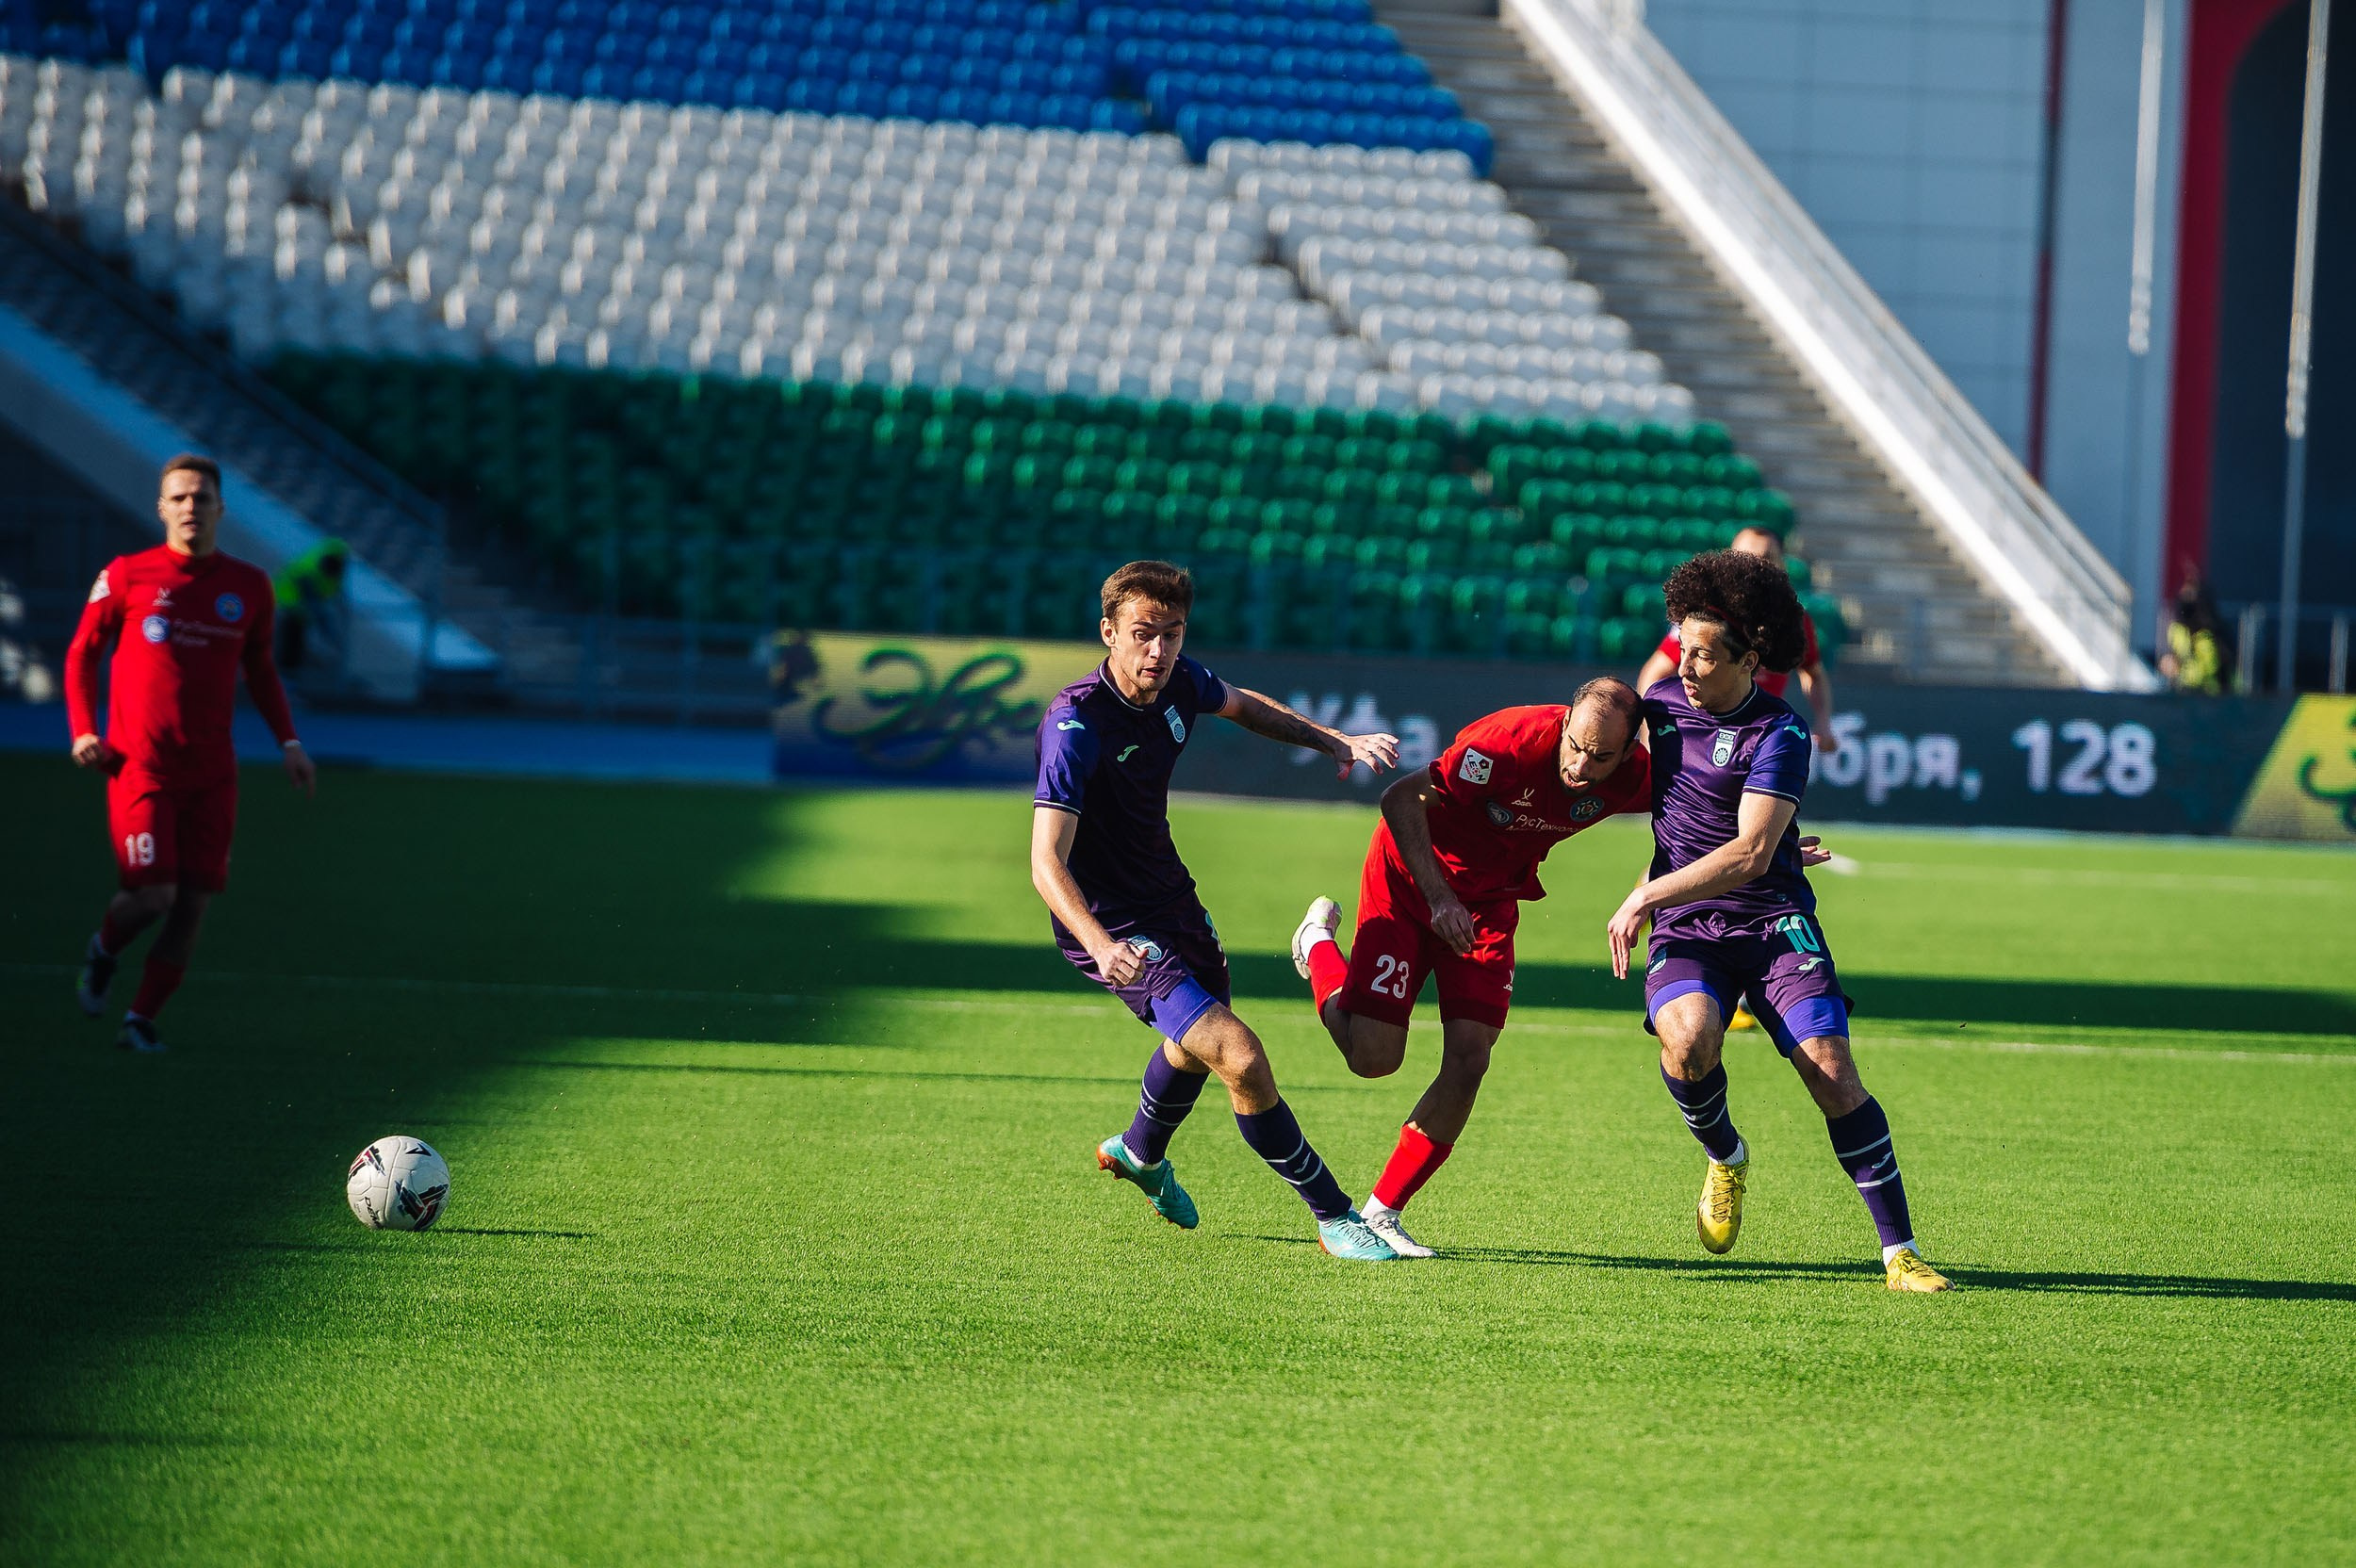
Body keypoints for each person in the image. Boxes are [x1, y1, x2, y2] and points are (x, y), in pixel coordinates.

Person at [1031, 560, 1402, 1262]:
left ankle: (1141, 1153)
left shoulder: (1180, 683)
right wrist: (1102, 944)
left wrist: (1335, 740)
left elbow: (1244, 705)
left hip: (1172, 899)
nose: (1158, 651)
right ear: (1108, 632)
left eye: (1172, 634)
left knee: (1194, 1048)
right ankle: (1335, 1217)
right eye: (1143, 634)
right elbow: (1045, 860)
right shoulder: (1075, 725)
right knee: (1240, 1055)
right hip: (1115, 925)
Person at [1607, 548, 1949, 1292]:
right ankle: (1726, 1157)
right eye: (1682, 649)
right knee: (1691, 1046)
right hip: (1691, 927)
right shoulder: (1660, 705)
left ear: (1750, 660)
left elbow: (1754, 852)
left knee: (1830, 1069)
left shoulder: (1780, 732)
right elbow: (1584, 747)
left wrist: (1643, 894)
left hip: (1771, 924)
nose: (1685, 666)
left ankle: (1900, 1253)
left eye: (1703, 655)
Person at [1284, 679, 1654, 1258]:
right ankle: (1317, 947)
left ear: (1631, 750)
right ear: (1564, 724)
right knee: (1373, 1059)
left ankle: (1383, 1212)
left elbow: (1707, 810)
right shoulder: (1505, 745)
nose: (1581, 766)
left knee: (1471, 1054)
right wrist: (1437, 898)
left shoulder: (1636, 777)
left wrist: (1774, 845)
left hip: (1490, 902)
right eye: (1575, 745)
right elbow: (1403, 800)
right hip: (1410, 883)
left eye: (1601, 756)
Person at [66, 455, 316, 1053]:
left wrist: (289, 742)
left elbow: (260, 671)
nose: (189, 507)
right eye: (178, 498)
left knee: (193, 903)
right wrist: (82, 729)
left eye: (201, 498)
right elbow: (81, 653)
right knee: (155, 894)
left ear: (220, 508)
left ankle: (140, 1021)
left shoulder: (249, 587)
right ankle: (103, 952)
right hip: (138, 766)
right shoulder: (128, 575)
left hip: (212, 773)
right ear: (161, 507)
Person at [1636, 526, 1836, 751]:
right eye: (1746, 558)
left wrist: (1824, 722)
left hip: (1757, 734)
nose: (1757, 567)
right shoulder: (1707, 615)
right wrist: (1650, 736)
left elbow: (1813, 673)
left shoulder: (1792, 621)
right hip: (1702, 730)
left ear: (1782, 565)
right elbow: (1655, 672)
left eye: (1767, 558)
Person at [272, 536, 349, 675]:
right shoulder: (308, 571)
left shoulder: (336, 562)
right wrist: (327, 630)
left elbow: (328, 596)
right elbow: (314, 603)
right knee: (287, 641)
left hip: (300, 611)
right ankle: (283, 674)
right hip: (287, 605)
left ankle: (290, 674)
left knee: (296, 643)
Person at [2158, 572, 2231, 694]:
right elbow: (2167, 658)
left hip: (2209, 694)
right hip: (2184, 692)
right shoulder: (2176, 630)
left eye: (2190, 594)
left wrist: (2181, 668)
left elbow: (2211, 668)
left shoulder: (2208, 636)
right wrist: (2168, 663)